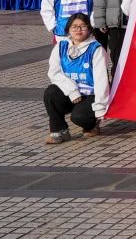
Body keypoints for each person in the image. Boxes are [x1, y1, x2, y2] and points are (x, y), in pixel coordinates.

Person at [44, 13, 109, 144]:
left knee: (79, 117)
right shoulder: (61, 46)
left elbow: (101, 80)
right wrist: (72, 90)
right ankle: (59, 130)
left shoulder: (96, 49)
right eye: (74, 27)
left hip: (90, 95)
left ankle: (91, 125)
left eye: (83, 26)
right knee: (51, 93)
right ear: (68, 29)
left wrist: (100, 107)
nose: (78, 30)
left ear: (89, 29)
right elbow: (54, 73)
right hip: (72, 93)